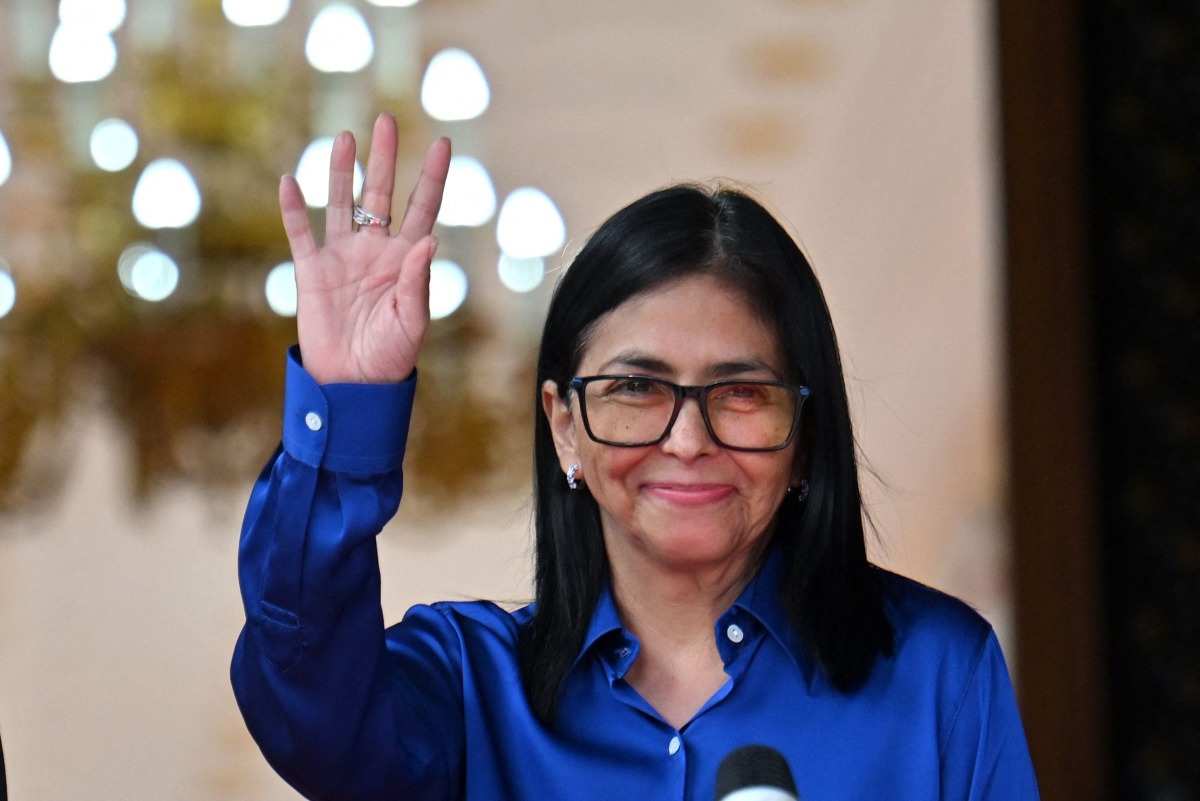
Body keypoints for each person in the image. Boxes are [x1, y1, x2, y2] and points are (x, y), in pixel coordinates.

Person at [231, 112, 1040, 800]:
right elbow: (305, 705)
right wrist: (343, 408)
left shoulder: (940, 675)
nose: (687, 441)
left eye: (742, 394)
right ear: (563, 428)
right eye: (636, 389)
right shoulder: (468, 688)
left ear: (805, 439)